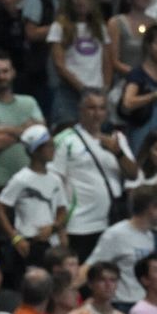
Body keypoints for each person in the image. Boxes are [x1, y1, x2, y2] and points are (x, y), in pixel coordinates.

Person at [51, 90, 136, 258]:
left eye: (101, 108)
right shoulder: (65, 139)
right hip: (79, 223)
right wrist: (59, 227)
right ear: (80, 109)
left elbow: (133, 174)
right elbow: (55, 183)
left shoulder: (116, 138)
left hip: (112, 220)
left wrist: (118, 153)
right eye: (91, 108)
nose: (97, 113)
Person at [0, 50, 44, 209]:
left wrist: (6, 129)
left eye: (5, 71)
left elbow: (41, 135)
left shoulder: (29, 102)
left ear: (13, 73)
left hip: (30, 177)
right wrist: (25, 131)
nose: (1, 76)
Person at [0, 124, 66, 272]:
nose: (53, 149)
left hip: (50, 244)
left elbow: (62, 209)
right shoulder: (21, 179)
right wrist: (15, 238)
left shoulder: (55, 179)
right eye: (48, 146)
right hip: (28, 244)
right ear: (35, 150)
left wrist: (54, 227)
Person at [46, 0, 113, 129]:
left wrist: (105, 87)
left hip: (97, 91)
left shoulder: (100, 27)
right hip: (70, 92)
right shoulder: (59, 27)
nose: (81, 1)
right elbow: (59, 64)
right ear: (69, 0)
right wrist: (82, 88)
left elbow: (107, 61)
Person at [86, 187, 157, 309]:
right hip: (123, 305)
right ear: (152, 208)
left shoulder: (151, 236)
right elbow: (91, 267)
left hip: (147, 303)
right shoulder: (116, 234)